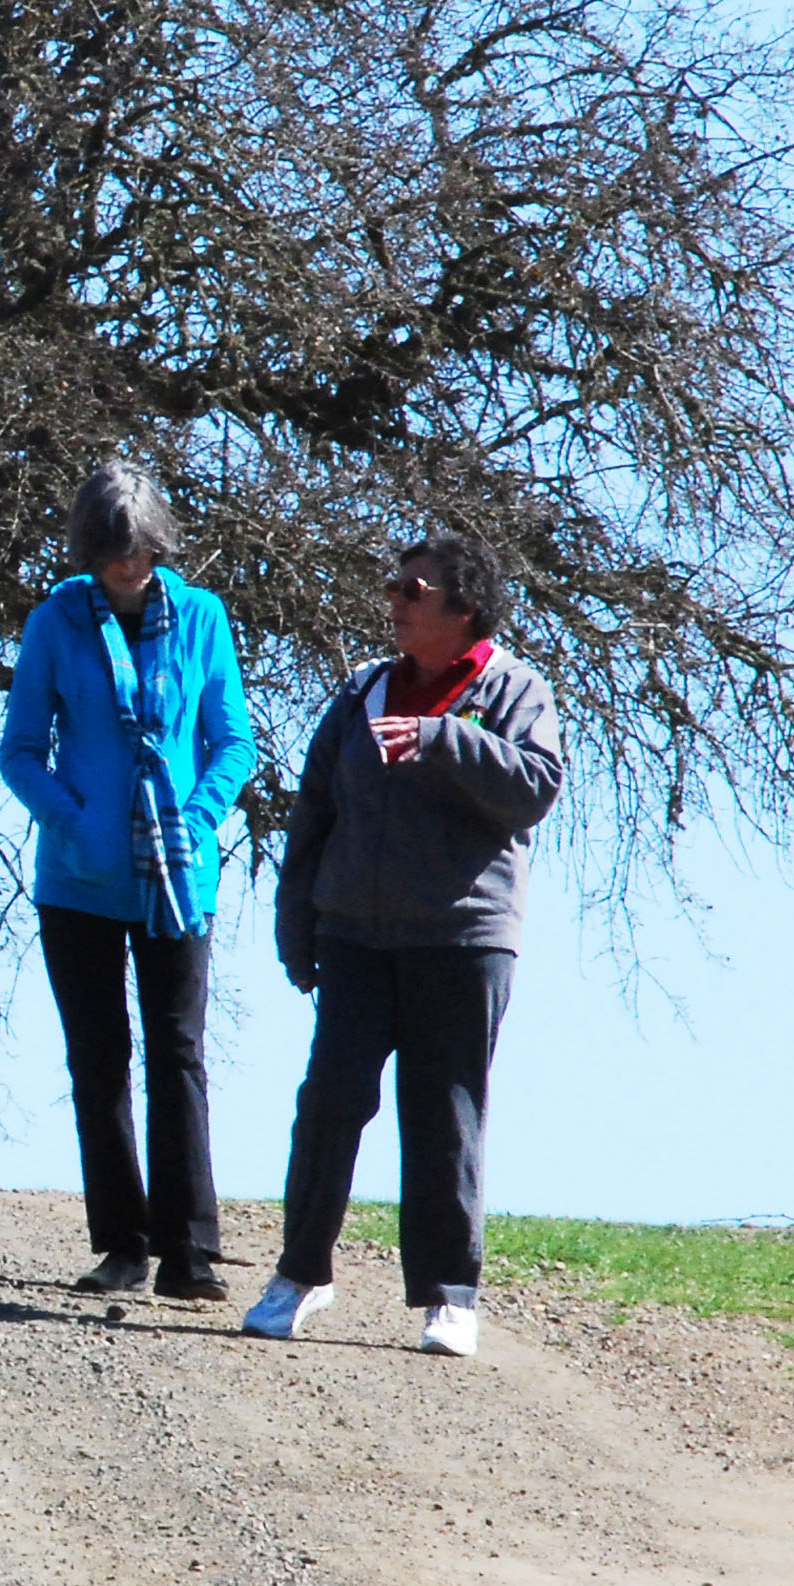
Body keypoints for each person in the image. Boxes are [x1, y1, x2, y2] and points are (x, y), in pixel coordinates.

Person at [247, 533, 565, 1358]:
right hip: (356, 935)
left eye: (412, 590)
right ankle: (299, 1276)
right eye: (393, 585)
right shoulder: (361, 691)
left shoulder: (515, 690)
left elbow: (535, 788)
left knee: (444, 1117)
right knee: (329, 1103)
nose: (393, 599)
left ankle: (449, 1296)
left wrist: (442, 740)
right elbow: (314, 811)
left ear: (464, 609)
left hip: (463, 941)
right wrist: (297, 922)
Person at [0, 465, 257, 1304]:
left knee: (177, 1053)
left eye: (142, 551)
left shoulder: (203, 618)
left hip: (178, 880)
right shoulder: (55, 621)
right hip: (77, 882)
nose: (129, 566)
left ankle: (190, 1249)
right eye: (114, 553)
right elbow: (19, 752)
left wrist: (196, 819)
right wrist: (74, 823)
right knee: (99, 1058)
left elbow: (234, 743)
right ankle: (121, 1244)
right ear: (89, 551)